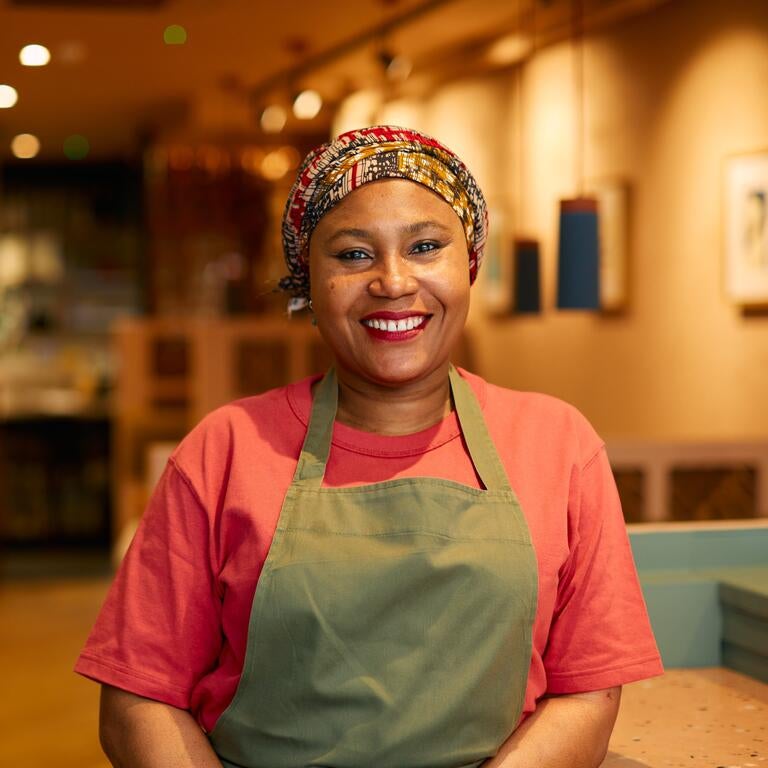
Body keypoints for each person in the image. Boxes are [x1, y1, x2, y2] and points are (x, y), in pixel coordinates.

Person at [76, 125, 663, 768]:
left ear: (468, 264)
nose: (393, 282)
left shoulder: (558, 445)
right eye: (354, 254)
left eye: (426, 247)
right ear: (308, 281)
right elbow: (139, 699)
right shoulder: (224, 451)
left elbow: (588, 692)